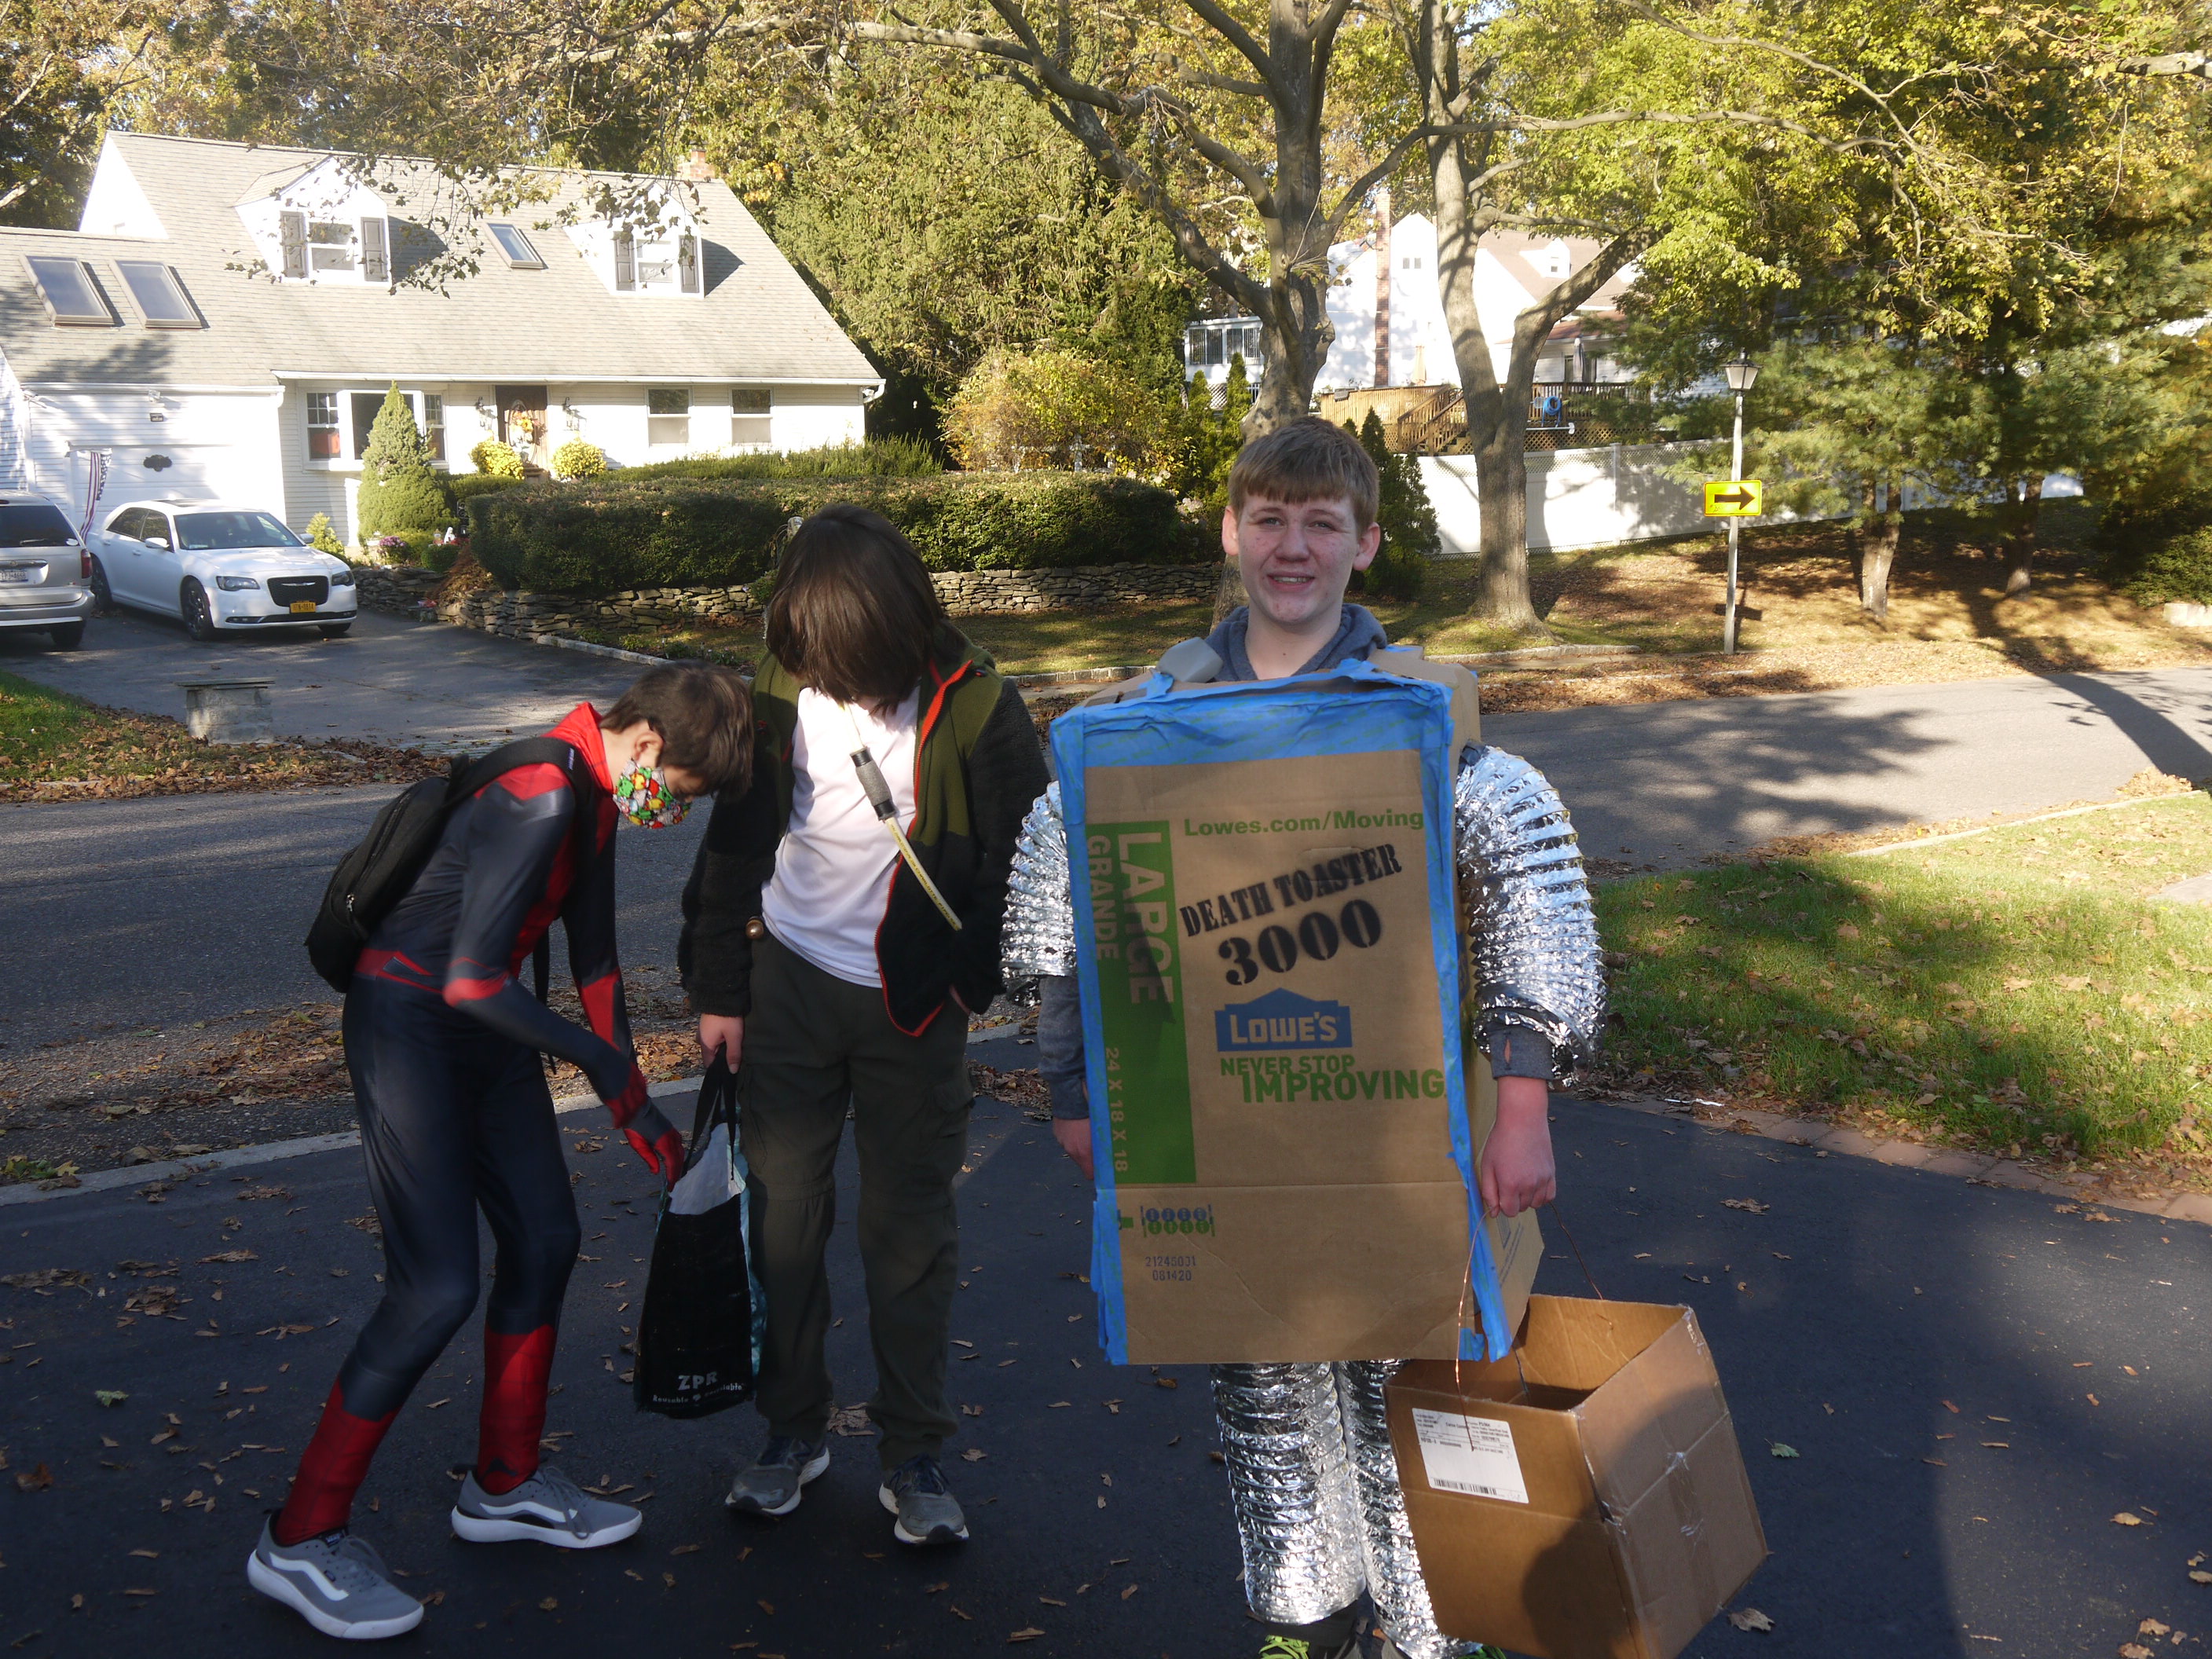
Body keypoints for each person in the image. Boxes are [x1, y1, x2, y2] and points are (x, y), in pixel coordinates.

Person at [1002, 419, 1606, 1659]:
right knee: (1265, 1387)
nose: (1293, 547)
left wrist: (1525, 1103)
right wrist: (1072, 1092)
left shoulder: (1420, 725)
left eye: (1321, 524)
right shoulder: (1155, 727)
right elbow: (1066, 892)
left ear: (1364, 544)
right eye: (1269, 520)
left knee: (1410, 1388)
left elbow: (1528, 883)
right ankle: (1301, 1620)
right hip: (1217, 1138)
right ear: (1232, 533)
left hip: (1398, 1134)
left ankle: (1429, 1631)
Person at [247, 662, 753, 1641]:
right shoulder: (541, 791)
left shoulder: (594, 792)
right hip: (410, 1029)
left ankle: (505, 1482)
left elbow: (594, 958)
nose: (676, 810)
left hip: (486, 1036)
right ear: (646, 743)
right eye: (682, 790)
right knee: (434, 1287)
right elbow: (473, 980)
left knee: (546, 1241)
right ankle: (299, 1537)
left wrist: (637, 1106)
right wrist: (597, 1067)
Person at [680, 505, 1049, 1547]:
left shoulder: (979, 704)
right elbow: (734, 842)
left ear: (901, 631)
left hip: (914, 1004)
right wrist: (720, 988)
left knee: (909, 1235)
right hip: (786, 988)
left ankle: (913, 1450)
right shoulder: (779, 682)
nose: (840, 686)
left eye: (857, 670)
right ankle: (791, 1432)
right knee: (782, 1227)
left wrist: (972, 983)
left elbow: (1027, 854)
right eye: (821, 667)